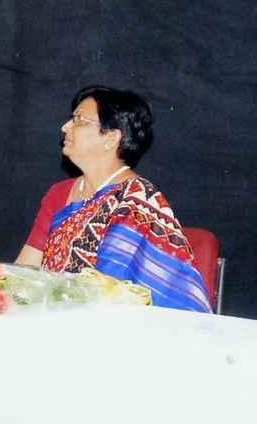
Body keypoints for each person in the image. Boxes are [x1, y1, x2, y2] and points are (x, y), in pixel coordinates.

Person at [16, 85, 212, 312]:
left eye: (79, 119)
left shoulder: (137, 201)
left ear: (111, 138)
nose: (65, 126)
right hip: (50, 316)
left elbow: (112, 296)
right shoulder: (59, 193)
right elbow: (23, 272)